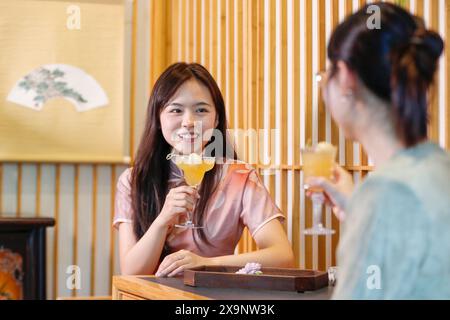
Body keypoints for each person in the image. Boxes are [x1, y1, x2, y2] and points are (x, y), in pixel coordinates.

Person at [306, 2, 450, 299]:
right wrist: (357, 207)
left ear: (345, 78)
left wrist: (367, 212)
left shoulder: (385, 194)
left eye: (325, 76)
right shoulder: (438, 166)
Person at [113, 62, 294, 277]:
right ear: (158, 118)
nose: (189, 122)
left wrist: (206, 263)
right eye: (176, 110)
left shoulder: (239, 177)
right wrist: (163, 220)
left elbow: (283, 256)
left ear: (216, 118)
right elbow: (131, 272)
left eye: (201, 110)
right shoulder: (133, 180)